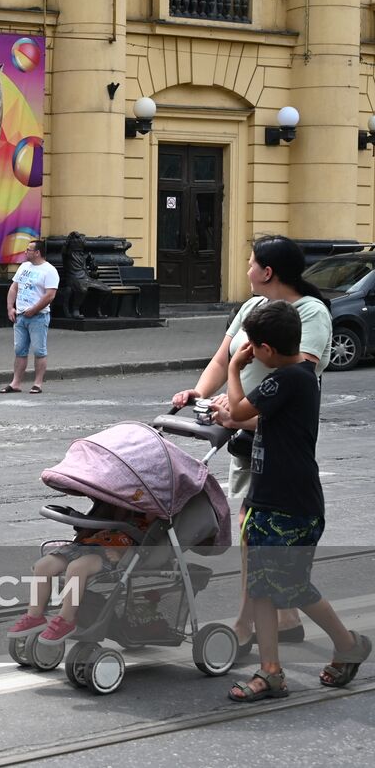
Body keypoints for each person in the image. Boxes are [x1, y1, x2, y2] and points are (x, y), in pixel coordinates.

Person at [170, 235, 332, 646]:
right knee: (256, 533)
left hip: (272, 434)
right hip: (245, 431)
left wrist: (240, 409)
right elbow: (223, 359)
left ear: (268, 271)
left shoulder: (310, 312)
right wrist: (200, 395)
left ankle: (248, 627)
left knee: (254, 534)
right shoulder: (251, 307)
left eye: (250, 263)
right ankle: (288, 619)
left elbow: (294, 378)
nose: (246, 269)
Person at [221, 301, 370, 701]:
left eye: (253, 347)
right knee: (263, 588)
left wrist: (234, 369)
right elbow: (260, 418)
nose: (251, 353)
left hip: (291, 503)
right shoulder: (300, 378)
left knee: (291, 585)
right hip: (270, 498)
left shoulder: (287, 379)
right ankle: (270, 672)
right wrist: (232, 417)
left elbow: (238, 408)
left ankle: (348, 643)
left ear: (265, 350)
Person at [8, 505, 155, 643]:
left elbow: (145, 543)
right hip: (87, 543)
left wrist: (121, 553)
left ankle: (66, 619)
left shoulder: (149, 523)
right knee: (43, 566)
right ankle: (34, 616)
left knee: (76, 568)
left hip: (111, 553)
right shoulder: (119, 507)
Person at [1, 239, 58, 394]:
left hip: (38, 317)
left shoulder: (49, 270)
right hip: (20, 316)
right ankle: (16, 383)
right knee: (20, 350)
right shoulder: (24, 266)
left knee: (39, 350)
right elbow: (14, 287)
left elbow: (50, 295)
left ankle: (37, 383)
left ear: (37, 252)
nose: (25, 252)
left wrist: (33, 310)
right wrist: (10, 307)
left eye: (28, 250)